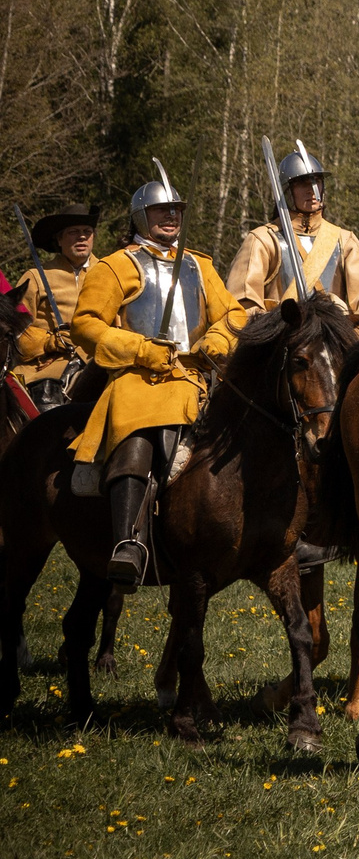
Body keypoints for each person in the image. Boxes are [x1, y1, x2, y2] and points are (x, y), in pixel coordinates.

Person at [68, 168, 246, 586]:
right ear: (139, 216)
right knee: (137, 421)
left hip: (196, 377)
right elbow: (87, 324)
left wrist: (216, 342)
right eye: (160, 209)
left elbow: (233, 314)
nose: (170, 216)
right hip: (138, 376)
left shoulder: (200, 266)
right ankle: (128, 542)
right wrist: (140, 350)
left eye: (176, 209)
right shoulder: (116, 266)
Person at [226, 141, 359, 334]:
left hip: (334, 339)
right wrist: (277, 331)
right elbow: (242, 303)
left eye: (317, 182)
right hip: (282, 343)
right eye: (303, 183)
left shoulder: (345, 241)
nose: (312, 190)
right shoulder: (262, 240)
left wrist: (350, 336)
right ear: (287, 191)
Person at [11, 203, 98, 410]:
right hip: (49, 366)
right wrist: (50, 341)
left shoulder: (109, 272)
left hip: (99, 358)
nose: (82, 237)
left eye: (87, 232)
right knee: (48, 405)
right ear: (59, 239)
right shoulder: (35, 277)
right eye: (73, 232)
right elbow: (15, 330)